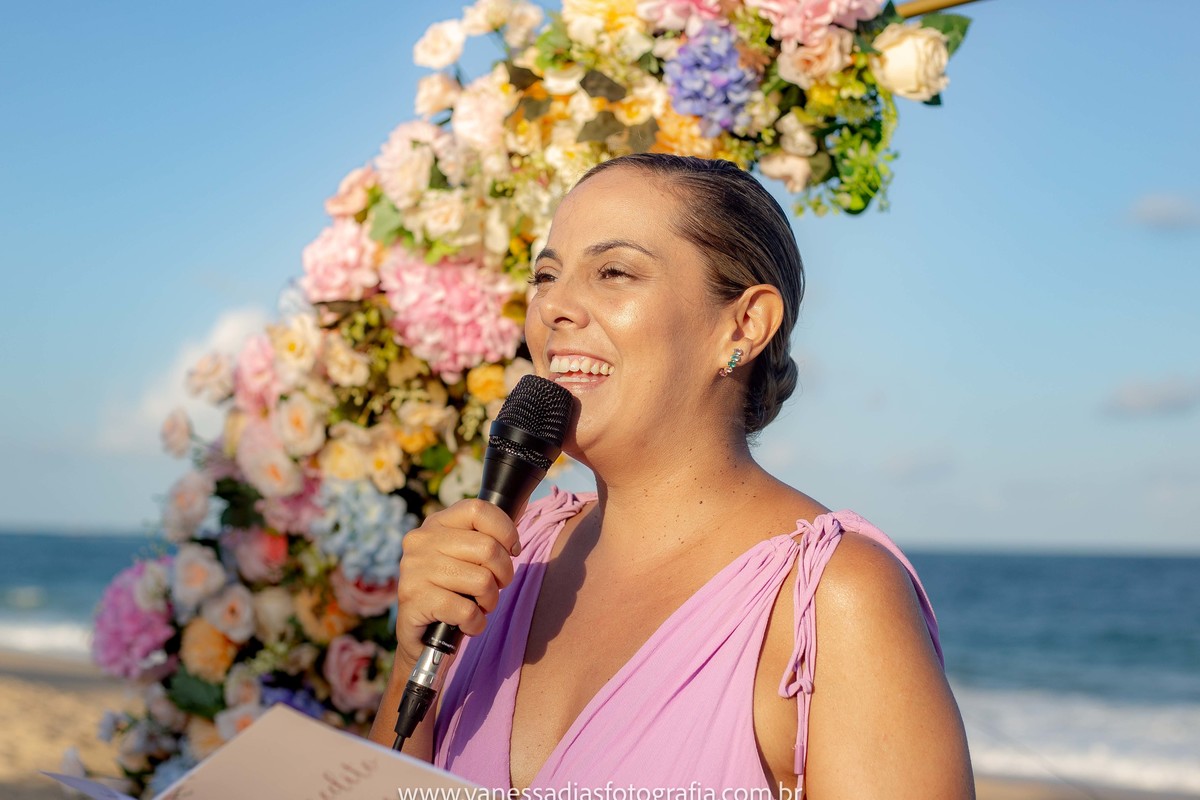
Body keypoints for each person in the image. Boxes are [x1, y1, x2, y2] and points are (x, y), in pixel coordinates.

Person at [369, 153, 974, 798]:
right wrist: (415, 659)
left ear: (743, 325)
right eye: (545, 276)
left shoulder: (831, 601)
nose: (554, 308)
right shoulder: (514, 556)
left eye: (614, 272)